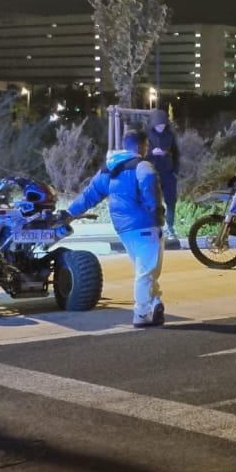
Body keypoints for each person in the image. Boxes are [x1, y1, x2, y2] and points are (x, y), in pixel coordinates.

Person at [65, 131, 164, 327]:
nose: (147, 149)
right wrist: (154, 208)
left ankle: (155, 302)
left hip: (124, 228)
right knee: (146, 271)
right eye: (146, 145)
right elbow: (150, 190)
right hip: (145, 224)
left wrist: (69, 213)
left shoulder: (109, 169)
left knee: (145, 269)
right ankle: (142, 313)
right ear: (139, 146)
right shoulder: (142, 166)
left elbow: (89, 195)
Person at [146, 109, 180, 238]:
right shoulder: (147, 134)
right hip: (152, 171)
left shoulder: (170, 135)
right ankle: (155, 228)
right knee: (153, 201)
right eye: (159, 125)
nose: (161, 127)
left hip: (168, 172)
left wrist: (175, 171)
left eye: (163, 124)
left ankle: (170, 228)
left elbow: (176, 154)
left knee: (171, 201)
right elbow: (141, 153)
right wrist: (152, 153)